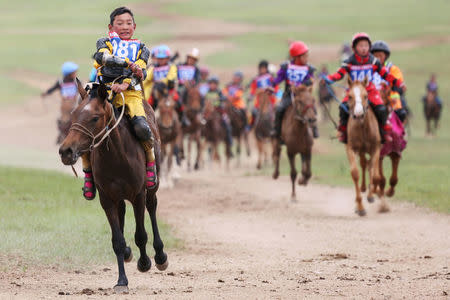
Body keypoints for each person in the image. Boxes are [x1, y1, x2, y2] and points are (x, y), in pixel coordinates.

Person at [84, 6, 157, 200]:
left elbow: (142, 70)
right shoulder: (105, 42)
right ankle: (88, 174)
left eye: (128, 23)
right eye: (119, 23)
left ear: (134, 26)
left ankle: (150, 163)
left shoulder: (142, 48)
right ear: (111, 26)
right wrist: (126, 64)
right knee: (83, 126)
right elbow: (101, 58)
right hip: (103, 91)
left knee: (142, 127)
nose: (124, 27)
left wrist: (126, 83)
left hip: (131, 94)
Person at [322, 33, 404, 144]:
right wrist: (330, 78)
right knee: (343, 107)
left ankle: (384, 130)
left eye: (366, 46)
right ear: (354, 48)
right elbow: (340, 74)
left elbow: (384, 74)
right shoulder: (348, 62)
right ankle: (342, 130)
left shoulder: (374, 61)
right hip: (354, 91)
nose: (364, 49)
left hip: (369, 90)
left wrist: (396, 82)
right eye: (361, 46)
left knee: (381, 108)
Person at [272, 41, 319, 139]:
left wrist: (300, 86)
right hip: (289, 95)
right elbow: (278, 79)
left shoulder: (309, 68)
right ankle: (276, 131)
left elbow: (310, 80)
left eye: (307, 56)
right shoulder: (286, 67)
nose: (307, 58)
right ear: (297, 57)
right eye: (305, 56)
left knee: (312, 108)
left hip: (304, 95)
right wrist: (272, 85)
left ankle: (314, 129)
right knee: (279, 109)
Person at [370, 40, 408, 122]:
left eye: (380, 55)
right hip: (371, 97)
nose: (378, 58)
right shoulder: (368, 69)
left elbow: (399, 83)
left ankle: (397, 133)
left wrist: (391, 88)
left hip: (390, 99)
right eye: (375, 56)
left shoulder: (392, 69)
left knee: (401, 114)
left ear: (386, 56)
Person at [143, 44, 178, 110]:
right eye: (159, 58)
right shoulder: (153, 67)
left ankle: (182, 117)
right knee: (149, 102)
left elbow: (171, 77)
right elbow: (147, 78)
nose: (160, 60)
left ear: (167, 58)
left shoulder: (171, 66)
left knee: (178, 100)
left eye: (162, 58)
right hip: (155, 89)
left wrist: (162, 81)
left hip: (168, 89)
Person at [204, 76, 233, 150]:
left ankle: (229, 140)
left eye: (214, 84)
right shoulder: (206, 92)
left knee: (227, 122)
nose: (212, 85)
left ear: (216, 85)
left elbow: (224, 98)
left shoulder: (219, 91)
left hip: (218, 110)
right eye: (211, 84)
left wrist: (219, 98)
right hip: (208, 111)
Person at [248, 60, 277, 127]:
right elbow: (253, 90)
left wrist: (272, 91)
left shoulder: (271, 78)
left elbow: (276, 87)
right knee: (253, 112)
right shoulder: (256, 79)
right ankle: (250, 127)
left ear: (266, 69)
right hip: (259, 102)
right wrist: (251, 95)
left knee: (275, 112)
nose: (262, 70)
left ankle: (276, 127)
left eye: (264, 68)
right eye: (261, 68)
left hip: (270, 100)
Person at [177, 48, 201, 127]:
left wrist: (190, 84)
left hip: (191, 87)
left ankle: (200, 113)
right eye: (190, 58)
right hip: (180, 87)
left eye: (193, 59)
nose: (191, 60)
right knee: (179, 93)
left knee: (200, 96)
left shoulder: (196, 69)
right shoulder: (180, 66)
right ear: (187, 58)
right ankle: (181, 111)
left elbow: (197, 80)